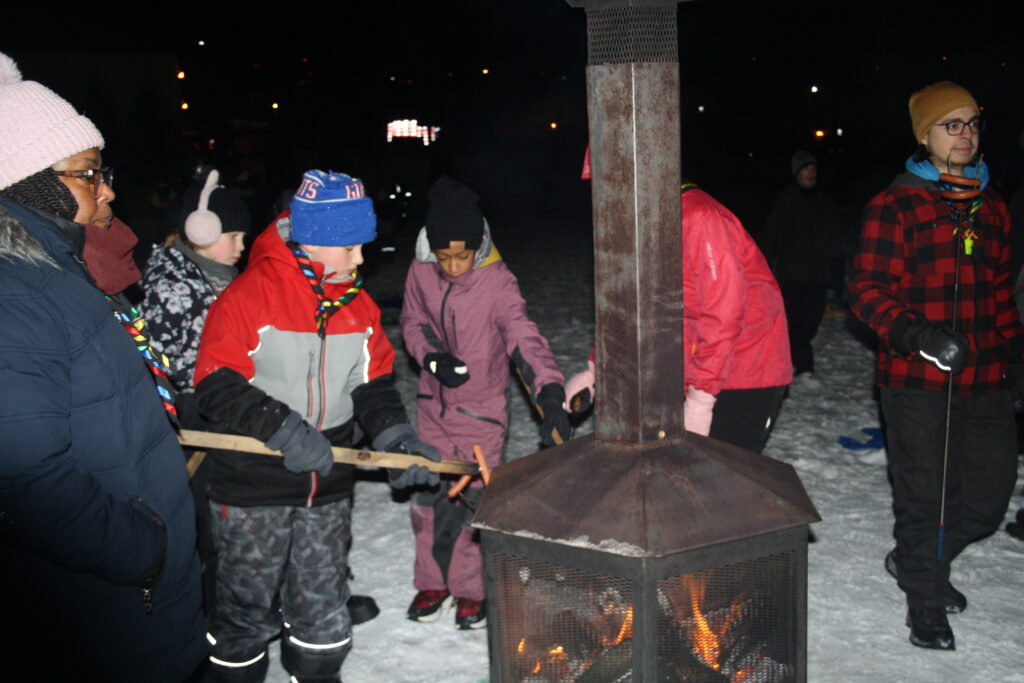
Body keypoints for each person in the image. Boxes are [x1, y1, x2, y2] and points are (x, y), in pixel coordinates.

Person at [0, 52, 205, 680]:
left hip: (133, 596)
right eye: (89, 174)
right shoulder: (16, 296)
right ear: (31, 182)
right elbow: (20, 477)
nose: (108, 190)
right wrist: (142, 550)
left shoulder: (61, 271)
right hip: (105, 603)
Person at [192, 169, 440, 683]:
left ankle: (319, 672)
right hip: (251, 484)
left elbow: (372, 385)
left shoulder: (358, 307)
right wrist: (284, 428)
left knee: (322, 599)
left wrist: (394, 436)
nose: (360, 258)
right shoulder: (248, 297)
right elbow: (215, 385)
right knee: (244, 606)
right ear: (313, 240)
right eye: (350, 247)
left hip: (326, 483)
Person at [849, 81, 1023, 651]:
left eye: (972, 123)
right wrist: (917, 333)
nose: (965, 134)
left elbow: (999, 293)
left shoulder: (991, 206)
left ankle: (916, 558)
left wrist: (1015, 356)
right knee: (929, 498)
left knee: (988, 500)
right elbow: (865, 290)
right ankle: (924, 597)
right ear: (925, 136)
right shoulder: (896, 205)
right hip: (917, 380)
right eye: (952, 125)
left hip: (985, 379)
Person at [399, 175, 569, 629]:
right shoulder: (420, 270)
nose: (454, 266)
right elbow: (412, 322)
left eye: (464, 255)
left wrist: (550, 393)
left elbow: (523, 337)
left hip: (481, 412)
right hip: (432, 407)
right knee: (429, 501)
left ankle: (472, 590)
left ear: (479, 245)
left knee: (474, 503)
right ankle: (433, 582)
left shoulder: (497, 282)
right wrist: (432, 358)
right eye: (444, 256)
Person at [565, 183, 792, 454]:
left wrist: (701, 399)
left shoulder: (699, 217)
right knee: (670, 467)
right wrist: (598, 370)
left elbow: (724, 313)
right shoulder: (641, 219)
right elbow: (632, 303)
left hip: (744, 368)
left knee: (723, 467)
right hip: (689, 365)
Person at [142, 166, 250, 398]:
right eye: (233, 237)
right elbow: (154, 356)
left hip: (222, 394)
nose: (241, 246)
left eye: (243, 238)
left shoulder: (224, 280)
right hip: (190, 400)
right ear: (202, 231)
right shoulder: (170, 287)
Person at [763, 151, 839, 385]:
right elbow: (771, 236)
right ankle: (804, 367)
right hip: (792, 276)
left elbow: (834, 240)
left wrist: (837, 274)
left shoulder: (823, 201)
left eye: (813, 169)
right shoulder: (785, 200)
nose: (810, 173)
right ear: (796, 173)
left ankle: (792, 355)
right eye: (806, 169)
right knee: (797, 324)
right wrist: (764, 267)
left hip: (818, 276)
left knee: (811, 323)